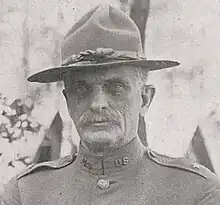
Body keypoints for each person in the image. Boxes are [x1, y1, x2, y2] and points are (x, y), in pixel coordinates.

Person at [1, 4, 220, 205]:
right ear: (68, 102)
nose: (97, 104)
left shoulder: (196, 192)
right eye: (81, 89)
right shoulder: (26, 193)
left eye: (116, 88)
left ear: (145, 99)